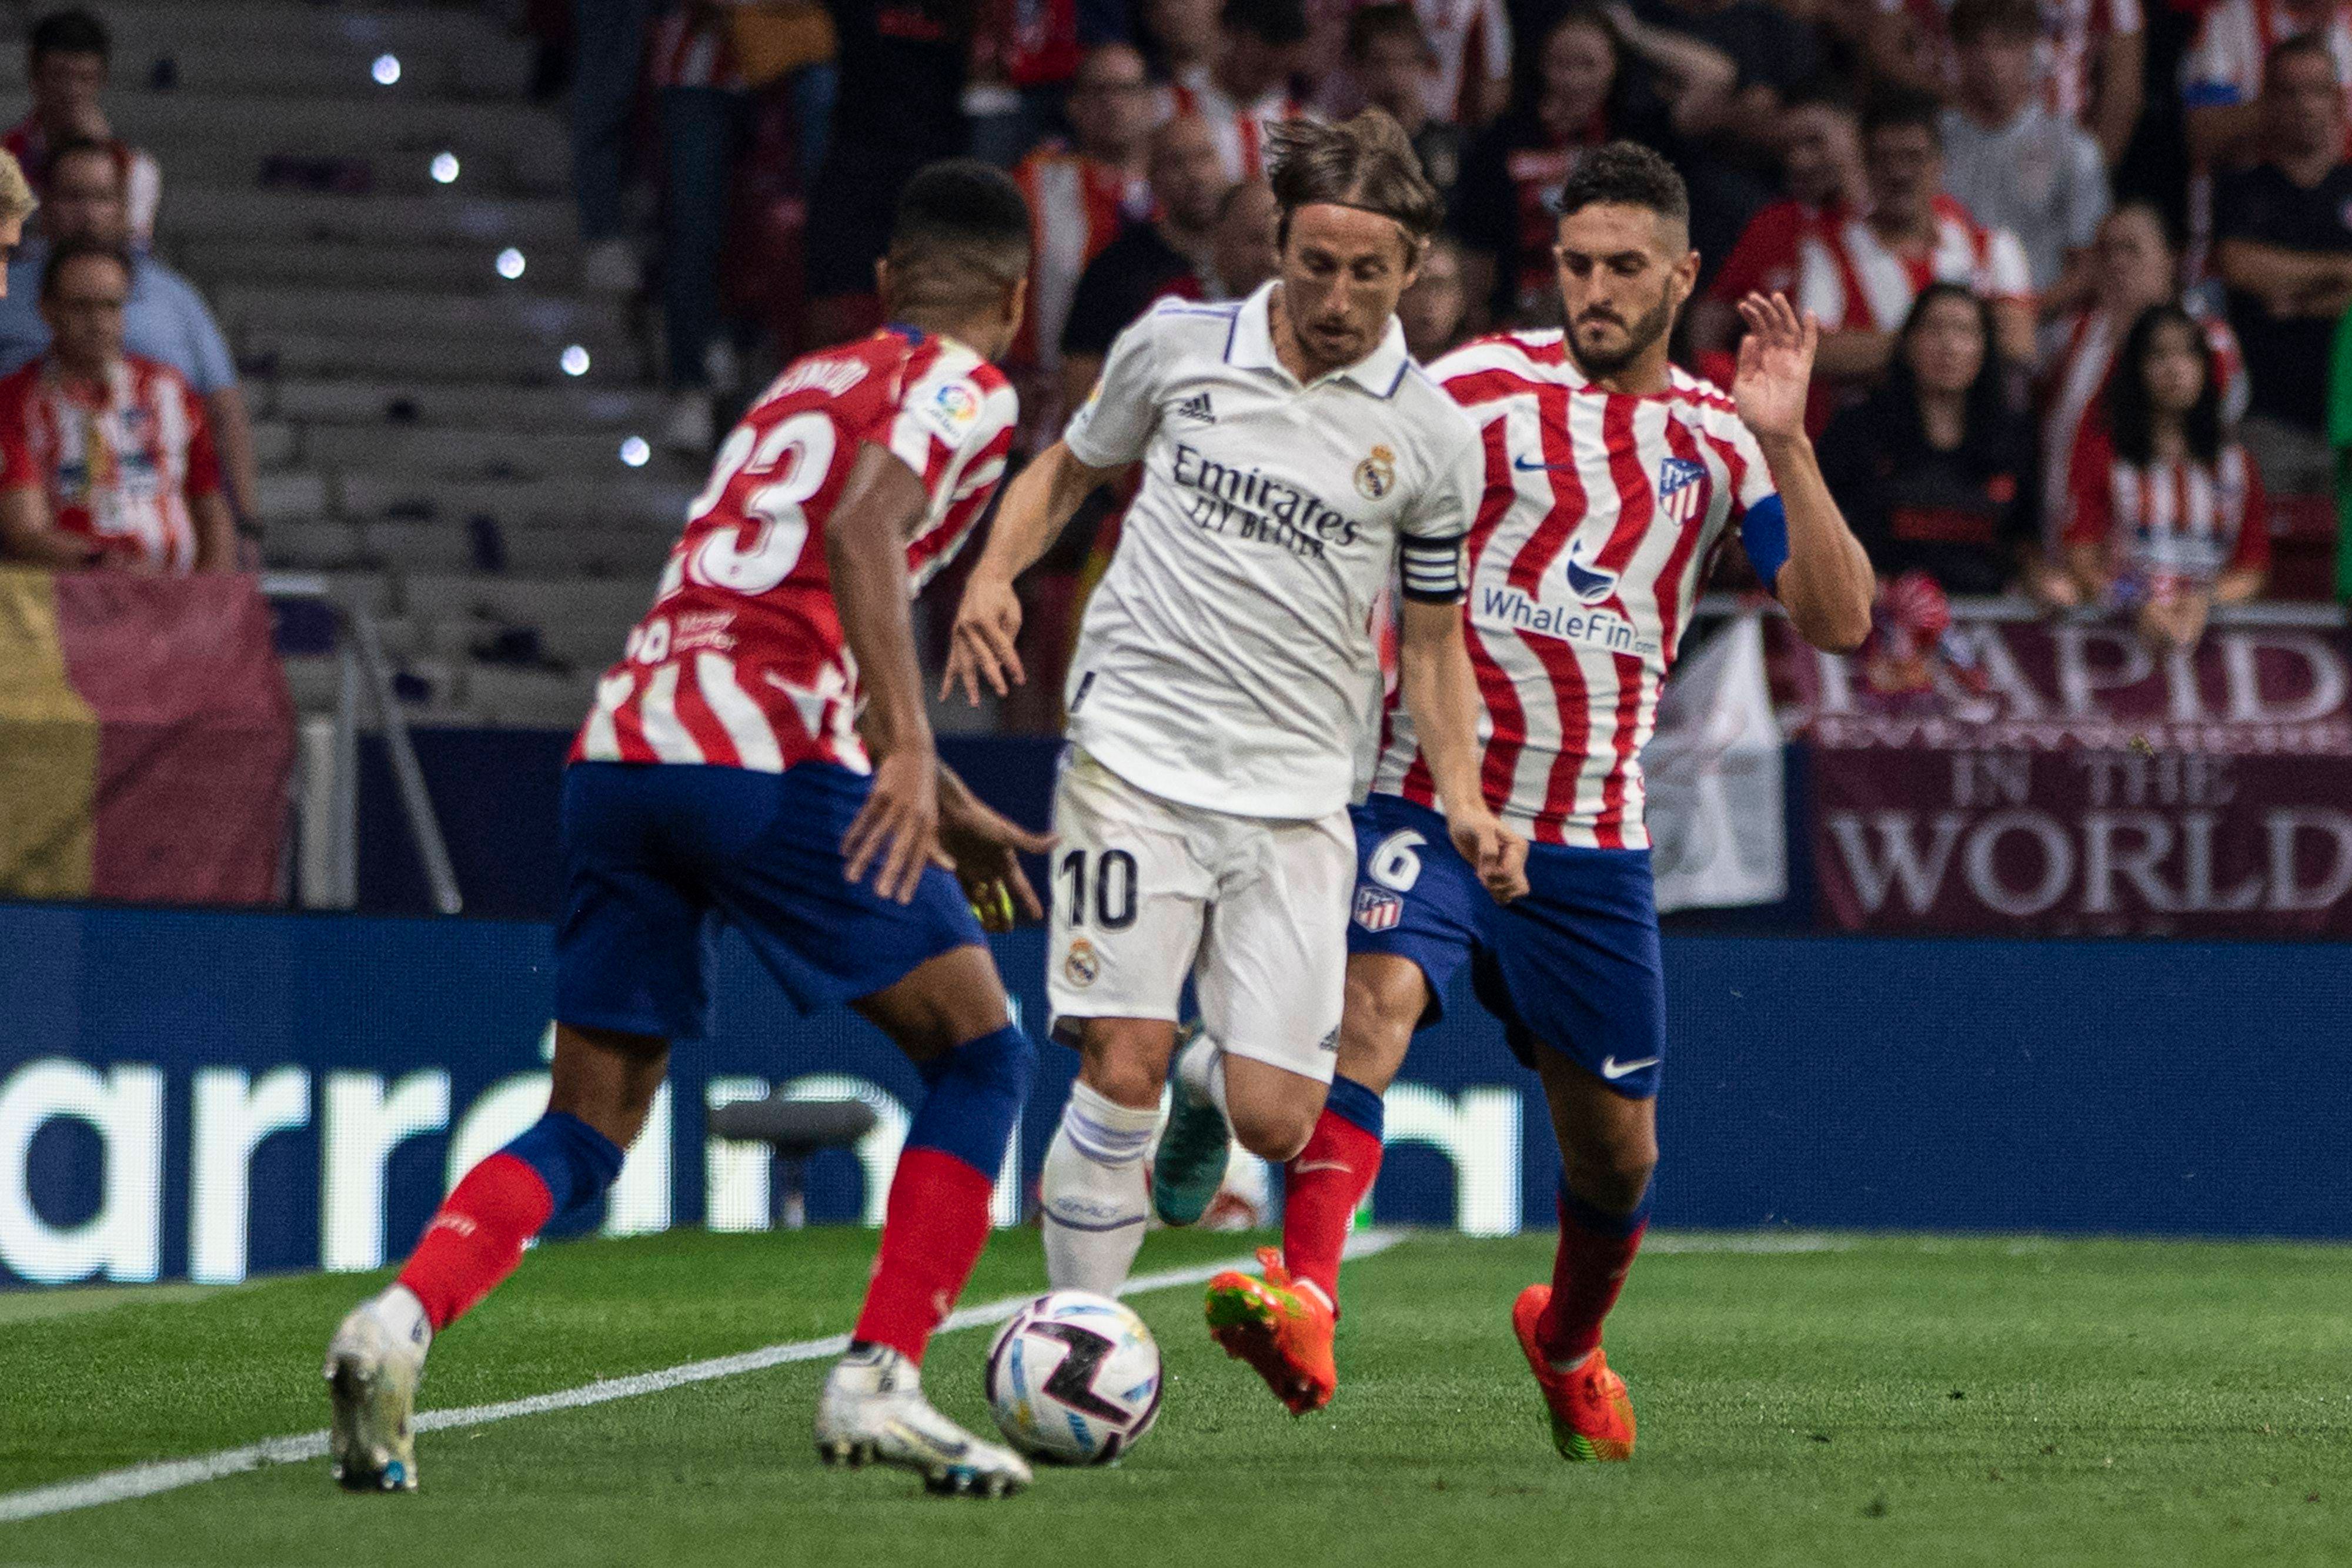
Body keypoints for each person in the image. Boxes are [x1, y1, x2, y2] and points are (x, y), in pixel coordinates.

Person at [322, 163, 1051, 1501]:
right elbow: (861, 532)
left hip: (621, 748)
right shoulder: (965, 381)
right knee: (982, 1054)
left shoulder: (798, 383)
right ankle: (881, 1376)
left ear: (883, 284)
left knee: (591, 1124)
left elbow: (774, 586)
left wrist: (932, 792)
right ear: (1020, 292)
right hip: (761, 758)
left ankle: (399, 1319)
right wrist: (909, 747)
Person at [1194, 142, 1872, 1446]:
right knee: (1366, 1012)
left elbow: (1836, 620)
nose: (1595, 290)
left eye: (1624, 268)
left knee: (1616, 1158)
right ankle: (1302, 1291)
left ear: (1681, 276)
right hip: (1427, 797)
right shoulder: (1469, 392)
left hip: (1591, 847)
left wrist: (1786, 444)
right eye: (1575, 264)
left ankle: (1563, 1343)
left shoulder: (1722, 442)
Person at [939, 111, 1522, 1305]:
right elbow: (1069, 467)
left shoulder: (1431, 438)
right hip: (1133, 756)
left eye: (1368, 271)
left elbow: (1429, 639)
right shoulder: (1175, 345)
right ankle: (1080, 1326)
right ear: (1276, 245)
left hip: (1303, 790)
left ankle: (1213, 1081)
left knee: (1275, 1118)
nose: (1338, 294)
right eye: (1315, 262)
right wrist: (993, 573)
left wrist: (1459, 793)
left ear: (1411, 269)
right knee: (1120, 1051)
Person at [0, 138, 260, 529]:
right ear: (44, 203)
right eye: (73, 196)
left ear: (123, 208)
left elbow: (223, 413)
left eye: (102, 197)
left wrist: (248, 524)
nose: (87, 213)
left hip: (157, 533)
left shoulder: (176, 300)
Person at [0, 240, 235, 574]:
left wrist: (211, 596)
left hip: (178, 605)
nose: (98, 322)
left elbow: (210, 503)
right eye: (81, 307)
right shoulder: (13, 399)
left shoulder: (173, 391)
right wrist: (114, 570)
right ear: (47, 310)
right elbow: (25, 531)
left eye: (111, 306)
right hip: (70, 604)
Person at [1798, 92, 2036, 401]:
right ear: (1864, 167)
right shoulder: (1827, 250)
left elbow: (2018, 346)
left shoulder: (1992, 247)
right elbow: (1815, 354)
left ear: (1940, 164)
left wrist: (1881, 348)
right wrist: (1948, 344)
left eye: (1913, 156)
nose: (1899, 173)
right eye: (1884, 159)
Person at [2040, 203, 2246, 553]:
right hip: (2069, 544)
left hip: (2165, 549)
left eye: (2132, 249)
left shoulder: (2210, 340)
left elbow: (2209, 432)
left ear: (2170, 260)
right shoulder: (2074, 335)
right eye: (2107, 251)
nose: (2117, 263)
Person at [2062, 303, 2268, 648]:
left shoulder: (2238, 465)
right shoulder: (2105, 458)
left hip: (2212, 650)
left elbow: (2253, 570)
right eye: (2159, 355)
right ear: (2136, 369)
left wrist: (2204, 600)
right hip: (2119, 644)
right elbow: (2082, 559)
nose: (2175, 369)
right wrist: (2135, 601)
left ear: (2206, 368)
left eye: (2188, 354)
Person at [1820, 282, 2039, 595]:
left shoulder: (2014, 435)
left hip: (1988, 622)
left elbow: (2026, 539)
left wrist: (2041, 580)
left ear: (1985, 348)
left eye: (1965, 332)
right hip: (1879, 620)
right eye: (1934, 330)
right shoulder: (1858, 428)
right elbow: (1819, 525)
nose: (1949, 346)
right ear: (1907, 344)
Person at [2213, 35, 2352, 497]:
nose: (2304, 105)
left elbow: (2269, 281)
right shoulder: (2243, 187)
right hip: (2267, 421)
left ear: (2337, 100)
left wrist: (2294, 299)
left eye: (2317, 90)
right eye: (2289, 92)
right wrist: (2340, 277)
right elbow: (2238, 266)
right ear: (2268, 102)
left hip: (2347, 419)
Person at [1010, 44, 1158, 438]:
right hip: (1053, 411)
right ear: (1074, 105)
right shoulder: (1032, 184)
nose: (1113, 104)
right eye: (1099, 91)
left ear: (1150, 102)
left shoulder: (1179, 187)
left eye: (1127, 90)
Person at [1057, 113, 1231, 412]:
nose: (1195, 175)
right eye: (1176, 163)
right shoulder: (1114, 271)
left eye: (1205, 157)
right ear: (1151, 178)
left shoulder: (1258, 257)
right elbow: (1081, 390)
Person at [1937, 0, 2109, 305]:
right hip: (1948, 323)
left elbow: (2087, 266)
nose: (1990, 60)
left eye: (2005, 45)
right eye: (1977, 46)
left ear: (2031, 49)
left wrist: (2022, 318)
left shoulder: (2074, 149)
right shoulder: (1933, 144)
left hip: (2042, 327)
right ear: (1959, 53)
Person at [1689, 88, 1866, 363]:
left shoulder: (1930, 218)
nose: (1799, 161)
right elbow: (1706, 333)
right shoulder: (1772, 226)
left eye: (1814, 142)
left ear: (1856, 133)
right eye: (1788, 148)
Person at [1, 10, 159, 248]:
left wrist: (102, 154)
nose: (71, 91)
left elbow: (132, 253)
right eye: (59, 75)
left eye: (85, 78)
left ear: (103, 79)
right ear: (34, 73)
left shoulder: (135, 169)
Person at [1165, 0, 1315, 180]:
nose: (1264, 80)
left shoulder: (1305, 127)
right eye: (1259, 66)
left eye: (1276, 72)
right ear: (1231, 33)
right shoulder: (1169, 106)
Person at [1344, 4, 1468, 198]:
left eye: (1403, 62)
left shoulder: (1456, 144)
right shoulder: (1344, 148)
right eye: (1380, 63)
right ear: (1358, 69)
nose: (1393, 75)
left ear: (1421, 65)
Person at [1397, 230, 1470, 358]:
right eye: (1415, 286)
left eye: (1440, 286)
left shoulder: (1480, 367)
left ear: (1461, 300)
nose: (1427, 299)